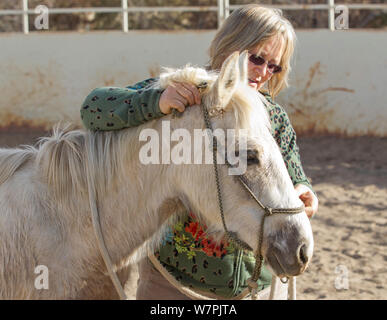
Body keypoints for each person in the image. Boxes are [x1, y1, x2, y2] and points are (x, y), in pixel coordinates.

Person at [80, 4, 318, 300]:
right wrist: (155, 101)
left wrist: (304, 190)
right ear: (232, 46)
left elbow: (293, 170)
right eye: (257, 58)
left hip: (257, 284)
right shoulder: (184, 94)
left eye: (274, 66)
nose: (264, 73)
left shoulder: (273, 116)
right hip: (173, 285)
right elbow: (93, 109)